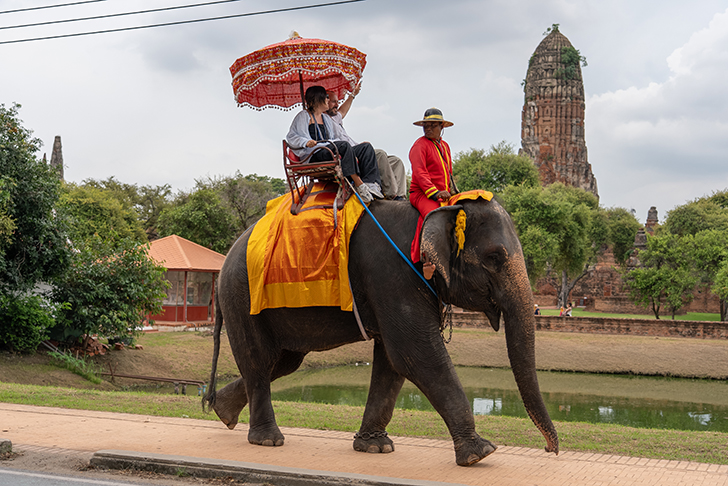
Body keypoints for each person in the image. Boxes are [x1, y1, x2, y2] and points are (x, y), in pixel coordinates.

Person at [286, 85, 382, 202]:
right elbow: (292, 137)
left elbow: (336, 138)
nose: (328, 100)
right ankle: (359, 185)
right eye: (326, 97)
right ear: (318, 99)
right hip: (314, 154)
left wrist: (357, 146)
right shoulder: (303, 116)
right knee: (343, 146)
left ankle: (371, 185)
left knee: (366, 147)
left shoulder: (326, 118)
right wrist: (306, 142)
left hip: (330, 149)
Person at [326, 85, 406, 200]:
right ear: (325, 101)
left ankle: (401, 196)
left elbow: (343, 110)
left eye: (337, 102)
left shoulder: (335, 117)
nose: (337, 105)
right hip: (349, 153)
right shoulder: (323, 120)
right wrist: (361, 147)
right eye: (333, 102)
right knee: (380, 154)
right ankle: (391, 195)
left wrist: (352, 95)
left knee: (396, 161)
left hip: (359, 150)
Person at [408, 107, 457, 279]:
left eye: (432, 125)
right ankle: (426, 260)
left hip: (442, 193)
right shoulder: (419, 145)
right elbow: (420, 173)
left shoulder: (445, 146)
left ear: (441, 126)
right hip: (421, 193)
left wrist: (451, 192)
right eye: (425, 126)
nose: (428, 129)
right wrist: (435, 193)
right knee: (433, 216)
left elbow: (448, 172)